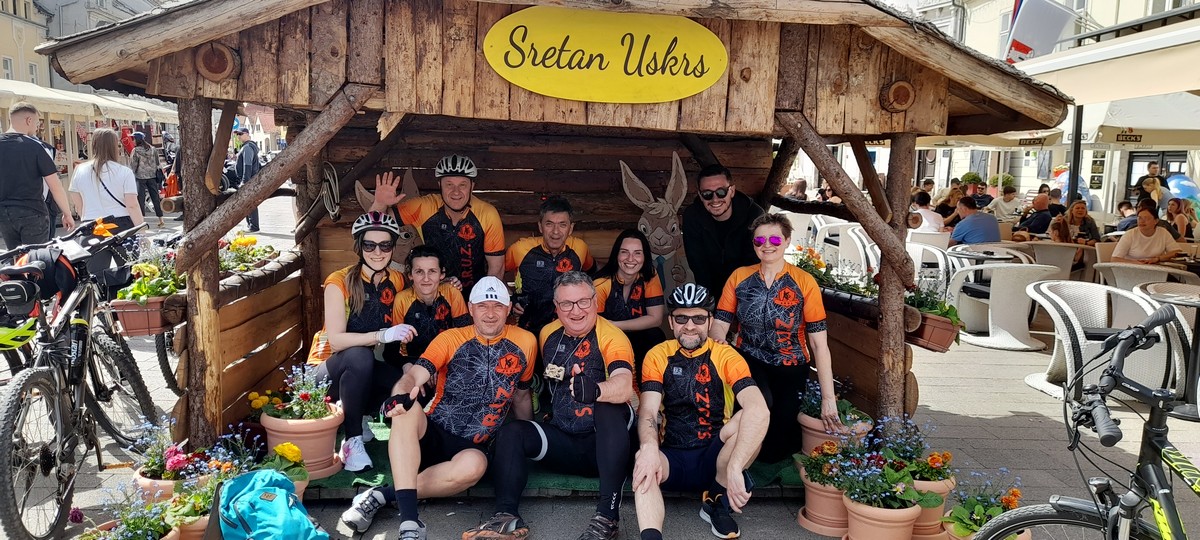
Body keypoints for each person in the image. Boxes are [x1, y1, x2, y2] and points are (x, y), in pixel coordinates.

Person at [340, 276, 537, 538]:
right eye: (482, 306)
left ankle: (380, 495)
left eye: (498, 306)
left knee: (475, 466)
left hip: (471, 448)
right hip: (433, 431)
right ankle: (410, 524)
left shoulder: (526, 342)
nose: (490, 314)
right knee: (406, 409)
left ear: (508, 308)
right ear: (470, 308)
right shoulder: (451, 338)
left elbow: (521, 396)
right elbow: (414, 375)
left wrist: (531, 437)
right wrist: (399, 397)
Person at [463, 271, 635, 540]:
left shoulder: (612, 336)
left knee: (608, 405)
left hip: (606, 445)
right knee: (513, 431)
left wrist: (597, 390)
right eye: (566, 303)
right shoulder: (547, 334)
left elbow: (624, 384)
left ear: (595, 302)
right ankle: (506, 517)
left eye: (583, 302)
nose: (576, 311)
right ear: (556, 306)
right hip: (565, 440)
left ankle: (607, 519)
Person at [634, 283, 769, 540]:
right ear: (671, 322)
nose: (689, 325)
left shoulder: (726, 355)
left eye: (698, 318)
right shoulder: (658, 355)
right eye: (681, 318)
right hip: (672, 458)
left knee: (751, 418)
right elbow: (648, 412)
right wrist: (649, 448)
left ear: (710, 321)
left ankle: (717, 499)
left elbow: (758, 409)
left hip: (716, 458)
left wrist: (735, 468)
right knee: (644, 459)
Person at [709, 213, 839, 463]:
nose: (766, 245)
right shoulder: (739, 277)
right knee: (760, 404)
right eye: (759, 240)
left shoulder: (804, 282)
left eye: (775, 239)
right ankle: (735, 460)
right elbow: (720, 322)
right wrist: (718, 340)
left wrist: (828, 399)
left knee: (778, 443)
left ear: (787, 241)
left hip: (792, 363)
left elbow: (819, 344)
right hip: (749, 357)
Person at [313, 212, 414, 473]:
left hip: (362, 371)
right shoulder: (338, 281)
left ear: (393, 247)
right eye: (370, 245)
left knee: (403, 382)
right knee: (360, 355)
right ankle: (352, 441)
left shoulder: (397, 280)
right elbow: (336, 341)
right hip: (325, 372)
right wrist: (381, 335)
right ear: (359, 247)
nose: (377, 252)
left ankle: (361, 413)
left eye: (385, 245)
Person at [370, 155, 505, 291]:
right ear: (440, 185)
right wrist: (380, 204)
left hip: (475, 293)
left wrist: (484, 298)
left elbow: (496, 268)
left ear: (472, 186)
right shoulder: (425, 207)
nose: (456, 192)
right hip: (431, 292)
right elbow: (373, 225)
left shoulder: (487, 214)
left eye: (462, 185)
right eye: (449, 185)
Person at [66, 128, 145, 293]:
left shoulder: (80, 170)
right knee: (131, 274)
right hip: (122, 227)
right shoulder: (124, 172)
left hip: (92, 228)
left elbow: (78, 204)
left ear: (93, 145)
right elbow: (132, 205)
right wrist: (141, 232)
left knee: (95, 279)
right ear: (115, 146)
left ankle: (101, 306)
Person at [506, 195, 596, 334]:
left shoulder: (580, 248)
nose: (555, 232)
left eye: (562, 225)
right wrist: (511, 299)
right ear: (540, 226)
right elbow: (496, 274)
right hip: (527, 328)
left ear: (571, 228)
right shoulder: (520, 249)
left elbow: (593, 271)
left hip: (566, 329)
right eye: (549, 224)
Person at [682, 165, 764, 302]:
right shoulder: (692, 216)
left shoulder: (754, 215)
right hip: (711, 292)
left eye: (721, 192)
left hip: (749, 292)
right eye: (707, 194)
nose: (715, 199)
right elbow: (698, 264)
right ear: (700, 196)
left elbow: (755, 263)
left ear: (731, 191)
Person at [593, 229, 666, 379]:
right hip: (607, 337)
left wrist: (616, 325)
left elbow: (656, 318)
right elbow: (594, 325)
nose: (631, 259)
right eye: (624, 252)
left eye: (637, 253)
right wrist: (614, 329)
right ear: (617, 255)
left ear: (645, 256)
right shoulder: (601, 283)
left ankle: (650, 384)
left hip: (635, 333)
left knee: (655, 335)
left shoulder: (649, 275)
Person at [0, 102, 73, 246]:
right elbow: (55, 186)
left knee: (16, 257)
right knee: (37, 256)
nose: (37, 128)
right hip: (32, 211)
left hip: (4, 213)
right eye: (37, 123)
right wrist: (67, 213)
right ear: (29, 120)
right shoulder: (35, 147)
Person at [394, 245, 472, 361]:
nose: (426, 278)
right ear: (410, 275)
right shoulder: (401, 299)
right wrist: (407, 365)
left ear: (442, 274)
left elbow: (465, 334)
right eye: (419, 272)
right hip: (414, 361)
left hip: (448, 359)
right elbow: (395, 346)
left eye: (432, 271)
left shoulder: (452, 292)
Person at [1112, 208, 1182, 264]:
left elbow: (1177, 252)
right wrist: (1137, 263)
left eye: (1146, 218)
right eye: (1139, 218)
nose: (1142, 221)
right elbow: (1115, 259)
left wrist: (1158, 258)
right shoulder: (1130, 234)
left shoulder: (1163, 232)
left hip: (1156, 269)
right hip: (1133, 269)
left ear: (1156, 221)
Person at [130, 132, 165, 228]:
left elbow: (133, 165)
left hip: (140, 177)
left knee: (140, 199)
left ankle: (142, 221)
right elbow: (158, 163)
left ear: (137, 139)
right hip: (152, 176)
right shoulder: (153, 149)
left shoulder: (135, 151)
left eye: (133, 139)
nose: (132, 141)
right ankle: (161, 220)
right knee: (155, 198)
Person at [234, 127, 262, 232]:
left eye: (240, 134)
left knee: (249, 202)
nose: (238, 136)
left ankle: (253, 226)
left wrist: (244, 182)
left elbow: (248, 165)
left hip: (248, 180)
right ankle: (251, 225)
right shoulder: (249, 146)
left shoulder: (247, 147)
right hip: (251, 179)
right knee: (248, 202)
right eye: (237, 134)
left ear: (247, 134)